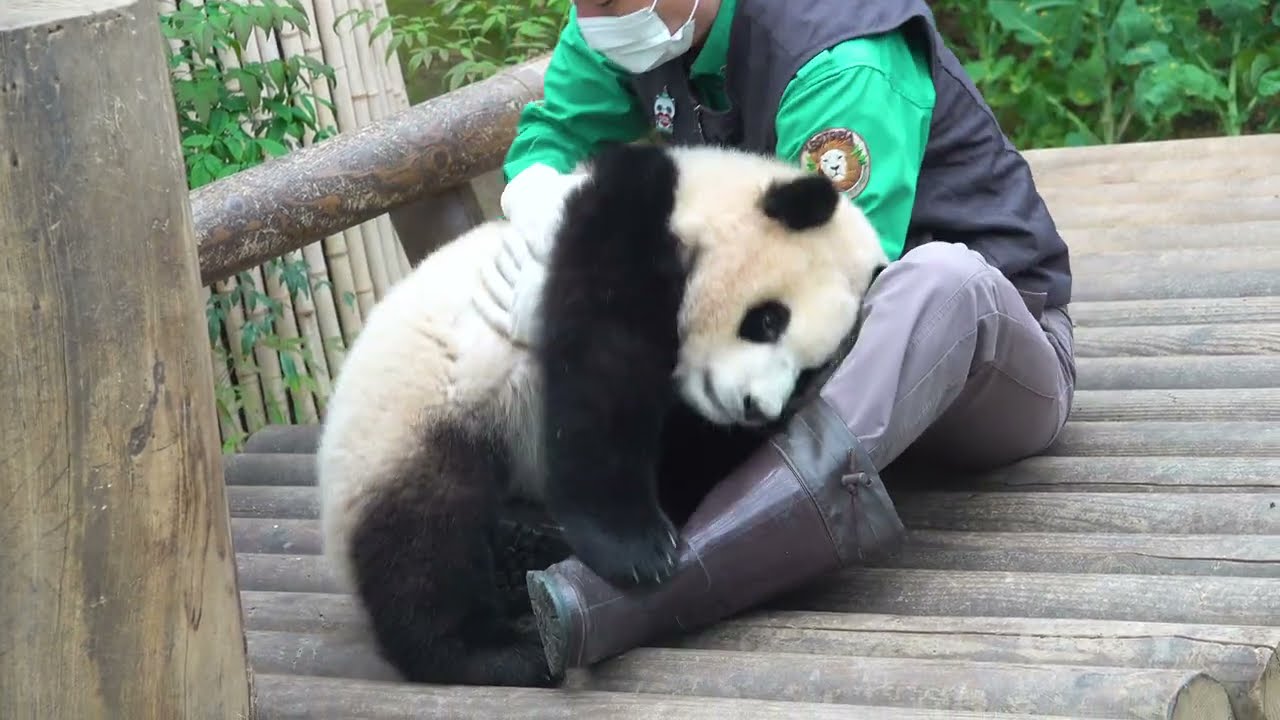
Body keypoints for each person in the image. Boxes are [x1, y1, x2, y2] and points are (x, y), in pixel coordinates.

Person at [474, 0, 1077, 671]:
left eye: (613, 4)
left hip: (980, 361)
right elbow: (551, 138)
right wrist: (541, 210)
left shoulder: (839, 58)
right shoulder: (626, 23)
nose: (596, 15)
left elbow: (823, 295)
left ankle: (633, 598)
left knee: (942, 284)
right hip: (785, 367)